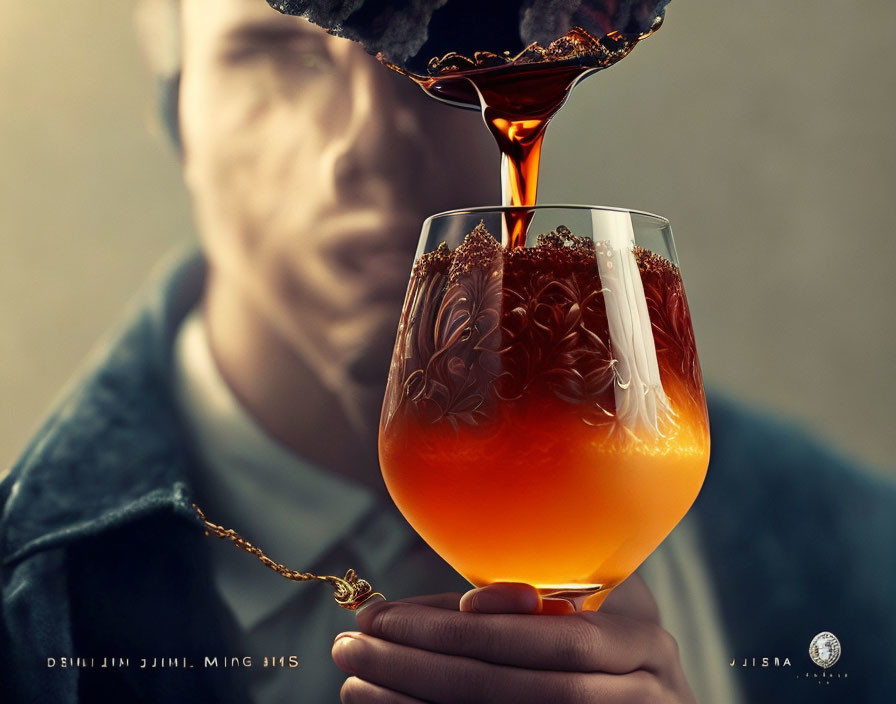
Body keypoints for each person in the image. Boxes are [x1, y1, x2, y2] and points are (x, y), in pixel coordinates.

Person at [1, 1, 894, 702]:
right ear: (177, 106)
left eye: (441, 53)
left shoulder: (860, 558)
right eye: (282, 50)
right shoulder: (25, 607)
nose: (371, 144)